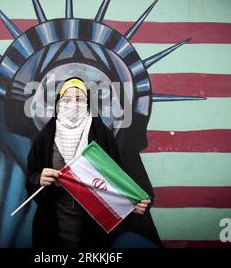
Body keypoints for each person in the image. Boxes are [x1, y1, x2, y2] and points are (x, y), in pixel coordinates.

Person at [26, 77, 162, 247]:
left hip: (94, 227)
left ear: (88, 102)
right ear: (59, 103)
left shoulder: (102, 135)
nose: (73, 104)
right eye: (67, 99)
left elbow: (115, 178)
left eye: (79, 98)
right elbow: (31, 176)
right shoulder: (45, 137)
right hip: (53, 224)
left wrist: (130, 205)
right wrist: (39, 180)